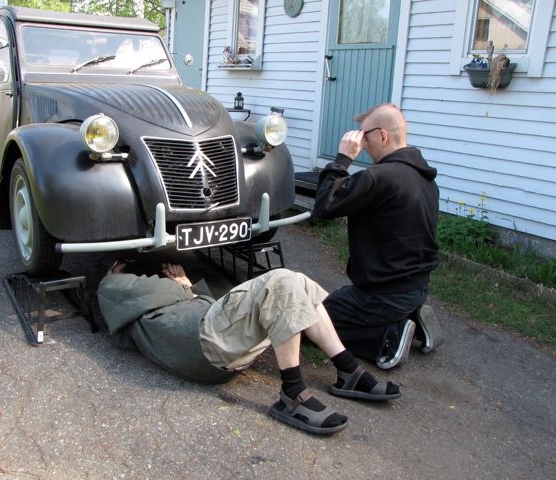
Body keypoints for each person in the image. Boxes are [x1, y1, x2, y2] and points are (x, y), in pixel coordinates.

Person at [96, 261, 401, 436]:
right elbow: (110, 286)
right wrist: (116, 275)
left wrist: (186, 286)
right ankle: (293, 393)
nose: (146, 277)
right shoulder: (120, 293)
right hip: (205, 341)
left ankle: (348, 370)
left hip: (218, 347)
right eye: (136, 275)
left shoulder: (162, 307)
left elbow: (203, 304)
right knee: (281, 280)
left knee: (298, 283)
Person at [313, 103, 443, 370]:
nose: (361, 143)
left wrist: (342, 159)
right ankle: (411, 318)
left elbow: (324, 207)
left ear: (382, 135)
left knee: (310, 323)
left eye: (364, 136)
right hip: (417, 286)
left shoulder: (378, 177)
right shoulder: (425, 179)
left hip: (382, 294)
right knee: (333, 308)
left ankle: (387, 337)